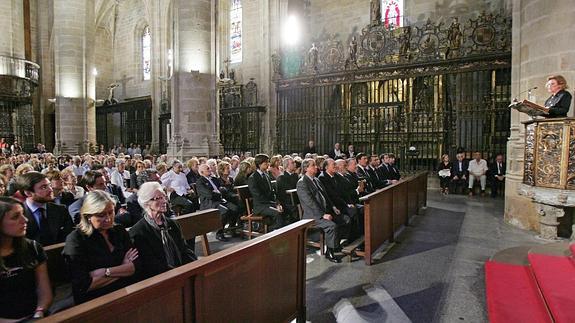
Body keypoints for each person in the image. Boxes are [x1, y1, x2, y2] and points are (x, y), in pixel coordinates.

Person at [63, 191, 138, 304]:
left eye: (111, 212)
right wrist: (123, 268)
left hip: (126, 291)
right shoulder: (75, 240)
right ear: (88, 216)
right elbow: (83, 285)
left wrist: (105, 272)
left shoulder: (119, 231)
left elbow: (135, 267)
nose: (108, 219)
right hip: (96, 300)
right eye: (101, 215)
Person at [129, 182, 197, 280]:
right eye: (159, 198)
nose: (164, 201)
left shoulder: (172, 224)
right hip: (159, 280)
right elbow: (150, 265)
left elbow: (184, 250)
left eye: (164, 197)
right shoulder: (138, 232)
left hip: (181, 273)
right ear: (146, 202)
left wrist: (195, 266)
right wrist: (175, 275)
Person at [0, 197, 52, 321]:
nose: (25, 220)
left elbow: (44, 290)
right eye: (15, 217)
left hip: (36, 316)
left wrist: (39, 313)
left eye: (23, 214)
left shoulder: (32, 247)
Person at [296, 158, 349, 263]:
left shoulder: (316, 179)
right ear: (306, 168)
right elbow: (310, 203)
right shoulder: (302, 183)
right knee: (331, 226)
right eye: (313, 165)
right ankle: (330, 252)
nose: (316, 167)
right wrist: (322, 215)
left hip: (324, 212)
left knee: (346, 219)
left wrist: (333, 207)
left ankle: (336, 245)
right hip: (312, 215)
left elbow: (325, 196)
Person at [18, 172, 74, 246]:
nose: (50, 190)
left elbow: (69, 237)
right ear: (28, 193)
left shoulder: (60, 210)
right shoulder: (18, 214)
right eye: (44, 187)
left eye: (49, 185)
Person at [196, 164, 236, 241]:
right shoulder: (200, 182)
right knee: (224, 211)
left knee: (235, 208)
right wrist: (218, 193)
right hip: (209, 203)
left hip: (219, 200)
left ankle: (231, 229)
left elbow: (223, 189)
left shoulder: (214, 179)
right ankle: (219, 233)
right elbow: (209, 195)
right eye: (208, 169)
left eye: (209, 168)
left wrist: (218, 192)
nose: (210, 170)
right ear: (202, 172)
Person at [247, 154, 284, 230]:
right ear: (259, 164)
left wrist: (277, 203)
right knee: (277, 213)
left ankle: (276, 230)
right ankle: (271, 231)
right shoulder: (253, 178)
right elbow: (258, 196)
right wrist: (273, 204)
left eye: (268, 162)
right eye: (265, 163)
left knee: (283, 208)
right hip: (260, 206)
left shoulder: (266, 175)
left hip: (269, 203)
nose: (268, 164)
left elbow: (272, 191)